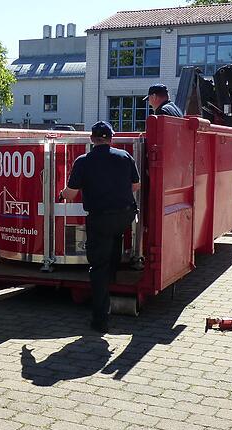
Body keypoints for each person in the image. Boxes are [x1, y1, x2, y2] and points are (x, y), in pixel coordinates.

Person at [60, 121, 141, 333]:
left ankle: (100, 320)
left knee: (98, 267)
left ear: (91, 139)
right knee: (114, 247)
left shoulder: (83, 161)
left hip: (101, 219)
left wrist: (59, 194)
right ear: (111, 138)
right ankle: (113, 277)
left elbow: (71, 193)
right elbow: (136, 185)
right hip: (124, 215)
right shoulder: (125, 157)